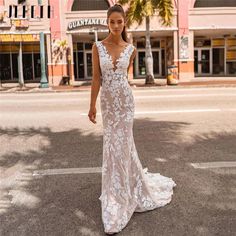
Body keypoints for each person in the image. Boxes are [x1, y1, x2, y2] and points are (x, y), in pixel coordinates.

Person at [88, 4, 176, 235]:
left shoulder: (131, 49)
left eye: (120, 22)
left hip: (125, 104)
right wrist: (92, 106)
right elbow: (97, 78)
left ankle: (125, 190)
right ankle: (114, 191)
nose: (116, 26)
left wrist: (119, 93)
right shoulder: (97, 47)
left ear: (124, 23)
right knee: (112, 145)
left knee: (124, 144)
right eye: (112, 22)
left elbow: (123, 80)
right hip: (108, 104)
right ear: (107, 22)